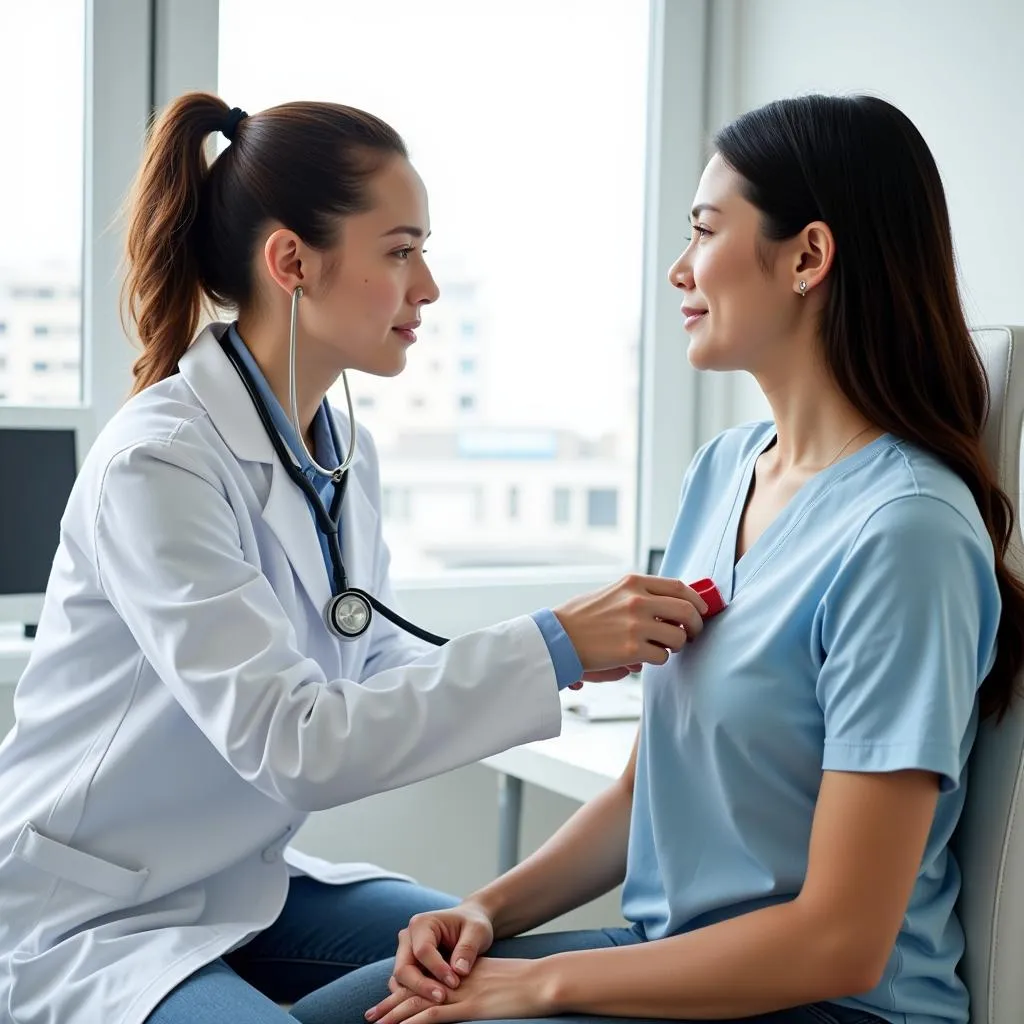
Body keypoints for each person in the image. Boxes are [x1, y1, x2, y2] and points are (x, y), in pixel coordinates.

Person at [287, 94, 1024, 1024]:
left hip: (831, 1007)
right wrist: (481, 910)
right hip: (672, 963)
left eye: (706, 230)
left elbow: (841, 939)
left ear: (808, 256)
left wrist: (535, 982)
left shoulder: (906, 533)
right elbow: (647, 791)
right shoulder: (723, 474)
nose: (680, 268)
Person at [0, 92, 713, 1024]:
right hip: (98, 915)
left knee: (485, 965)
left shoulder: (337, 446)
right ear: (292, 260)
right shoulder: (158, 463)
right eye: (401, 251)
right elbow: (293, 742)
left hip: (247, 886)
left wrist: (572, 659)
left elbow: (367, 660)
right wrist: (551, 646)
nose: (428, 287)